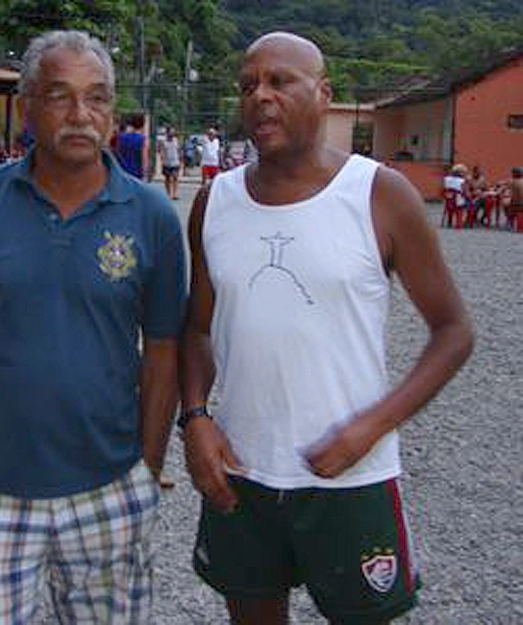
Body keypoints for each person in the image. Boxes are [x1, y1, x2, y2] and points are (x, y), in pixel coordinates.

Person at [180, 32, 473, 625]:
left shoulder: (379, 195)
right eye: (247, 86)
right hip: (243, 468)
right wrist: (196, 418)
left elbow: (453, 331)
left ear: (324, 92)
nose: (260, 96)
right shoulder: (215, 202)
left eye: (279, 81)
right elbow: (198, 327)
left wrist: (370, 426)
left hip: (350, 473)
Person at [0, 29, 185, 623]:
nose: (81, 115)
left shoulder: (153, 216)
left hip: (110, 489)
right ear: (27, 104)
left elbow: (164, 347)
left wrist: (150, 467)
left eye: (98, 97)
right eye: (60, 96)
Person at [115, 112, 149, 180]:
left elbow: (117, 154)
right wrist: (145, 173)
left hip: (122, 171)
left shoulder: (121, 137)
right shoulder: (143, 139)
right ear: (142, 124)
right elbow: (144, 158)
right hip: (137, 173)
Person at [159, 126, 181, 200]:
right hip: (167, 163)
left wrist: (180, 160)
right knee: (167, 179)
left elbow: (179, 150)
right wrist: (162, 160)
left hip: (175, 162)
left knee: (175, 178)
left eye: (173, 132)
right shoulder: (163, 142)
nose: (172, 134)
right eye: (170, 132)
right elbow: (162, 152)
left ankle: (175, 194)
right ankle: (168, 194)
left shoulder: (176, 140)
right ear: (167, 133)